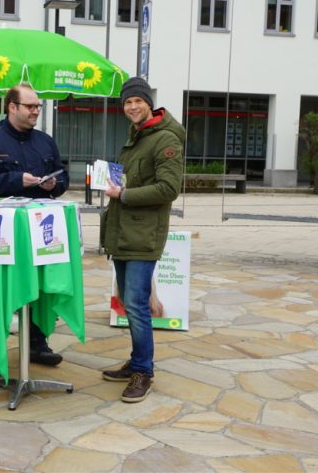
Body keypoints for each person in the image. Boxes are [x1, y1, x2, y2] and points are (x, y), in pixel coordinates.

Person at [0, 82, 69, 379]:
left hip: (40, 231)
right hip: (2, 233)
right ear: (12, 107)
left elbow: (61, 179)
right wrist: (16, 180)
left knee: (37, 287)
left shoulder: (45, 142)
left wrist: (55, 185)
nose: (36, 110)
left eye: (38, 106)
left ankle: (37, 343)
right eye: (30, 106)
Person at [100, 76, 185, 403]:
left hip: (143, 234)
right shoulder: (139, 135)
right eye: (127, 103)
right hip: (125, 232)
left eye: (137, 101)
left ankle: (143, 373)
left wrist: (124, 193)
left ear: (149, 103)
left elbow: (169, 188)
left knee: (136, 306)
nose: (132, 107)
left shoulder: (165, 139)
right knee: (129, 303)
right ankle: (136, 362)